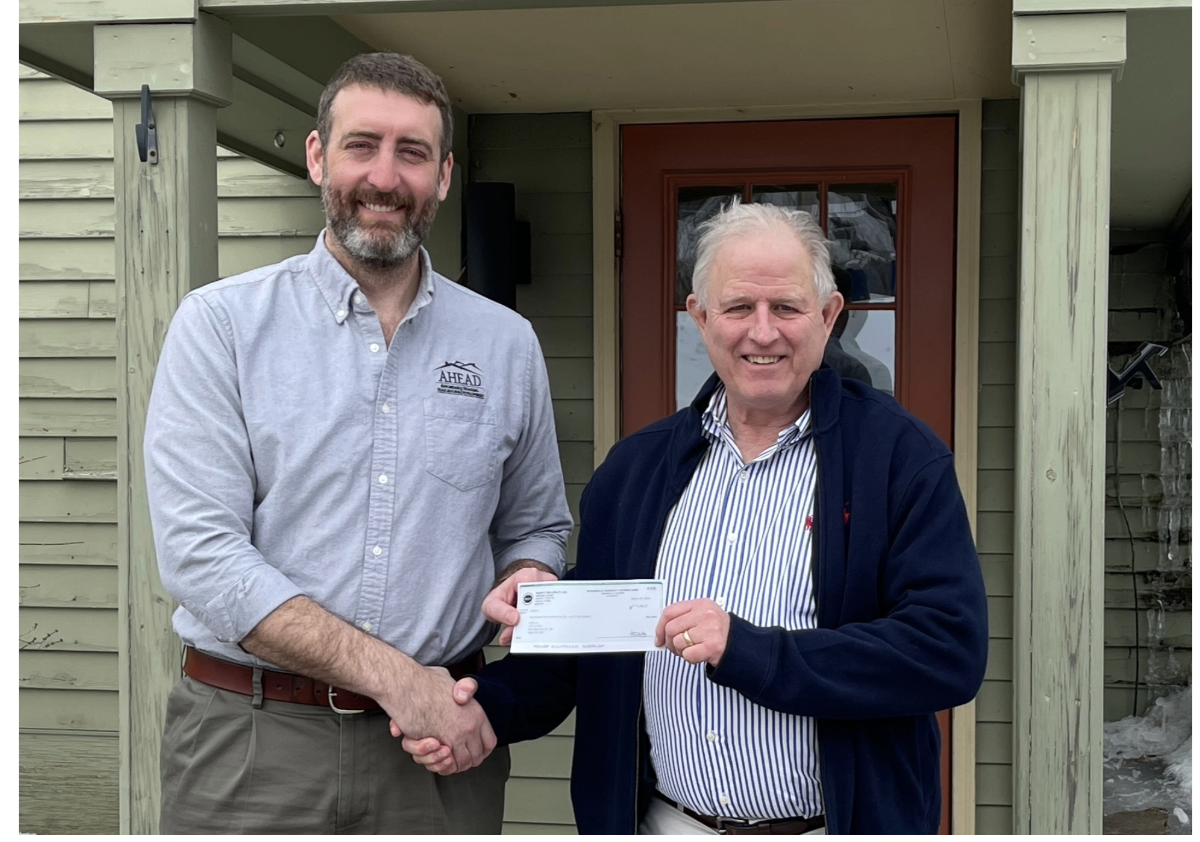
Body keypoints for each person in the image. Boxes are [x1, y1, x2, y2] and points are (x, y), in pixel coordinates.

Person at [405, 201, 988, 834]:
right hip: (664, 823)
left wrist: (749, 650)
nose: (762, 332)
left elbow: (945, 650)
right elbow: (593, 651)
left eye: (786, 308)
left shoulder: (899, 458)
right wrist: (492, 706)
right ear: (700, 317)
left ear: (827, 317)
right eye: (738, 307)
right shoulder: (635, 470)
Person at [144, 52, 572, 834]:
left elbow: (535, 525)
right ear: (317, 156)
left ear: (443, 176)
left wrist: (529, 574)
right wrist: (397, 679)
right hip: (251, 739)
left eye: (412, 153)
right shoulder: (222, 326)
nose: (385, 177)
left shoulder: (505, 344)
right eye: (361, 146)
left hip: (441, 752)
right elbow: (203, 556)